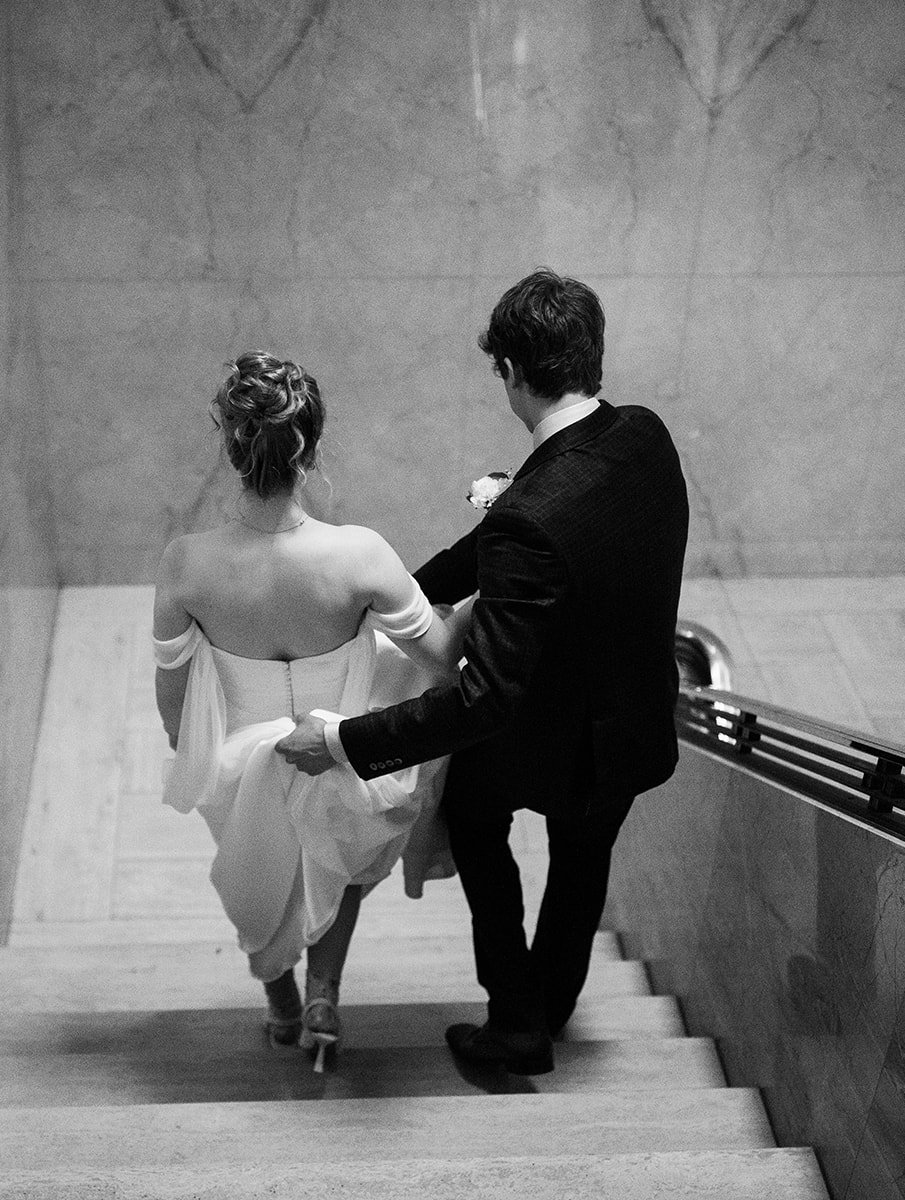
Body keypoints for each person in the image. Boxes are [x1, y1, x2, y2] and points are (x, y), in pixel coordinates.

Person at [278, 268, 689, 1075]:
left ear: (511, 372)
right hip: (634, 723)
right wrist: (394, 595)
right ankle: (552, 1003)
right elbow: (515, 538)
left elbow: (483, 698)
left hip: (549, 738)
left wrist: (343, 742)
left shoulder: (528, 518)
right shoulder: (644, 434)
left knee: (471, 811)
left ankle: (515, 1021)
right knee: (584, 860)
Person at [152, 351, 469, 1071]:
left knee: (257, 867)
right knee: (342, 858)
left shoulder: (186, 563)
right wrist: (482, 595)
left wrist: (188, 749)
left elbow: (172, 695)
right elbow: (439, 659)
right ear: (312, 448)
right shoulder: (360, 554)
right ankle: (324, 991)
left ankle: (283, 1004)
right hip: (344, 745)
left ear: (231, 447)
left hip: (240, 756)